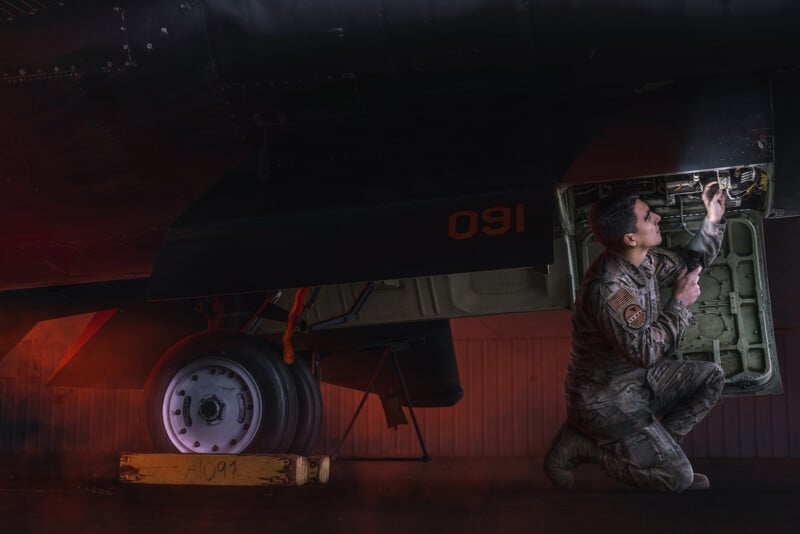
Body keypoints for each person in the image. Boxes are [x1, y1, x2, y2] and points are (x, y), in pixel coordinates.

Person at [544, 181, 727, 492]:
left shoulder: (644, 262)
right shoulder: (611, 289)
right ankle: (582, 445)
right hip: (606, 401)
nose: (656, 217)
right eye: (647, 217)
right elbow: (645, 352)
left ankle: (666, 453)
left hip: (639, 383)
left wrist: (712, 220)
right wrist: (680, 303)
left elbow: (688, 264)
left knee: (712, 377)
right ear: (630, 237)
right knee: (677, 480)